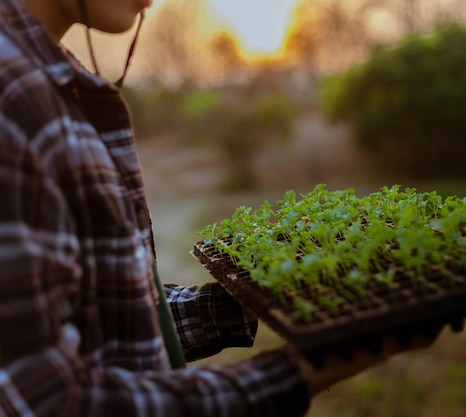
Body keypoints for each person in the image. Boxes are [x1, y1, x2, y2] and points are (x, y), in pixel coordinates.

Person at [0, 0, 440, 415]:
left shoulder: (50, 78)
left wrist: (251, 299)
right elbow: (50, 401)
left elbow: (102, 324)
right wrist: (300, 372)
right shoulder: (13, 103)